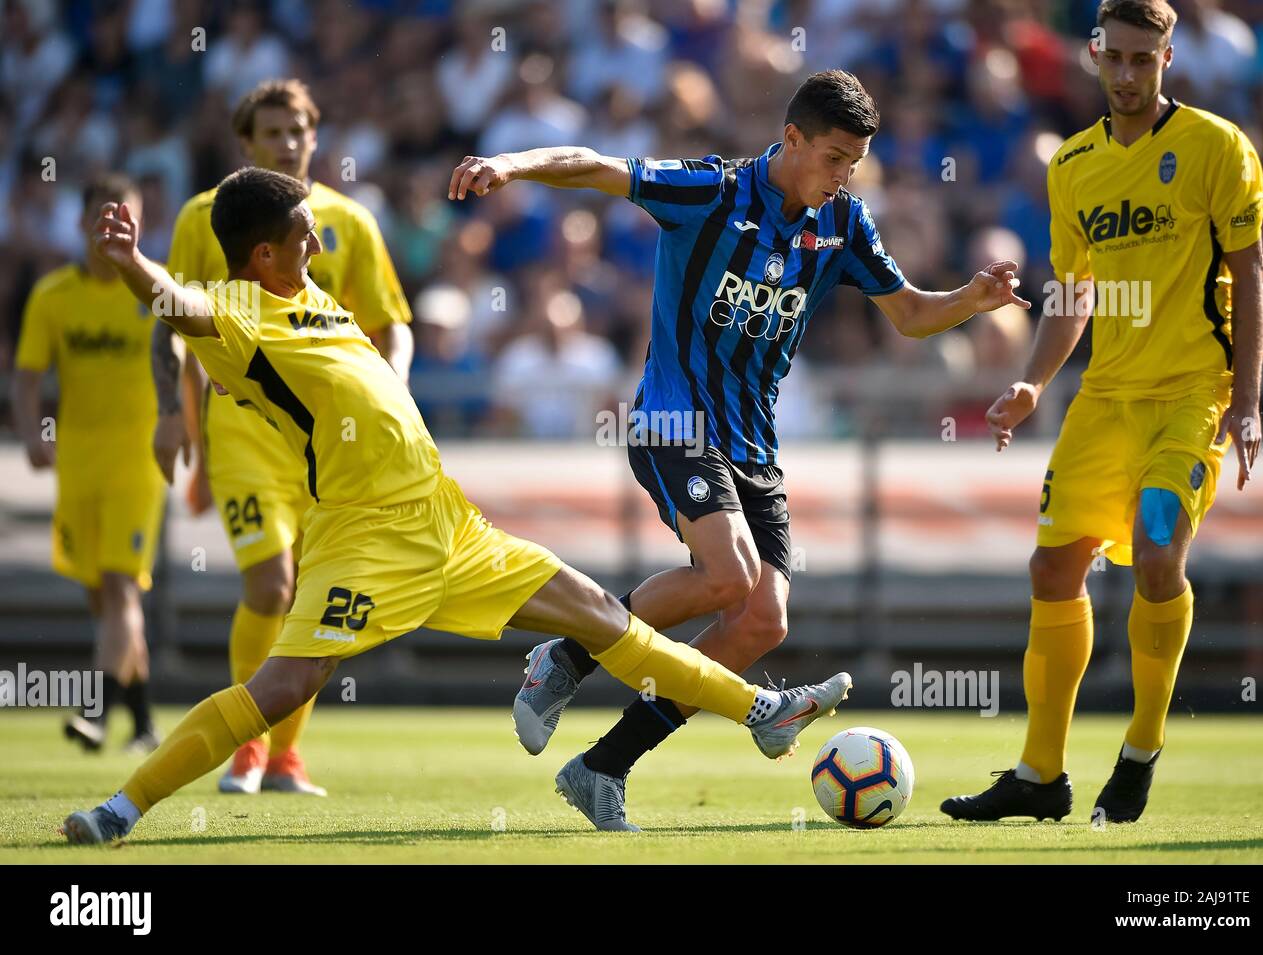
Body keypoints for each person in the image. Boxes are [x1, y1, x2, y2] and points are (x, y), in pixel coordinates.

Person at [61, 167, 851, 846]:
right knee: (283, 687)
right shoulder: (238, 312)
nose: (319, 242)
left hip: (449, 522)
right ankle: (121, 806)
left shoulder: (309, 294)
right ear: (262, 252)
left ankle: (760, 710)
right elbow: (178, 308)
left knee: (606, 620)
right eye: (304, 232)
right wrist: (133, 263)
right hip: (363, 537)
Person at [448, 69, 1031, 830]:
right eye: (831, 157)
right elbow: (597, 165)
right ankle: (566, 656)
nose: (843, 175)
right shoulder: (710, 191)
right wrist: (512, 165)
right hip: (673, 421)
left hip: (752, 441)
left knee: (764, 621)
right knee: (728, 576)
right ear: (790, 139)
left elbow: (912, 315)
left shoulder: (844, 223)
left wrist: (970, 300)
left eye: (853, 162)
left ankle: (602, 766)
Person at [942, 0, 1263, 824]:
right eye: (1113, 58)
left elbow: (1251, 273)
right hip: (1106, 397)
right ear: (1093, 56)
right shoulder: (1073, 164)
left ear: (1167, 55)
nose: (1126, 75)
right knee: (1052, 568)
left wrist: (1251, 401)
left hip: (1193, 393)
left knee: (1159, 553)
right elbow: (1074, 294)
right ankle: (1040, 775)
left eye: (1141, 59)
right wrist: (1034, 382)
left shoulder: (1217, 146)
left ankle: (1142, 748)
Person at [152, 78, 414, 797]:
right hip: (240, 433)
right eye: (272, 133)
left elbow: (393, 322)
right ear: (246, 145)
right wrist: (169, 412)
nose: (288, 143)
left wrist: (392, 385)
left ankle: (286, 757)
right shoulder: (206, 217)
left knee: (309, 601)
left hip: (326, 445)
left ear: (315, 136)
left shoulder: (347, 221)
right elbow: (169, 315)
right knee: (270, 584)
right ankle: (246, 746)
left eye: (298, 130)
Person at [11, 174, 163, 754]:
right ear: (81, 224)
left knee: (122, 588)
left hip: (138, 463)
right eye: (103, 217)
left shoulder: (153, 290)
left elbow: (187, 364)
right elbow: (26, 377)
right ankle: (145, 722)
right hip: (78, 463)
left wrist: (188, 434)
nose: (114, 229)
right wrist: (31, 432)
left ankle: (94, 712)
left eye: (128, 217)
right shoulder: (54, 296)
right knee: (106, 600)